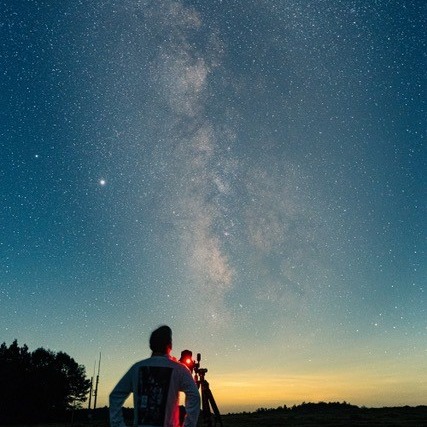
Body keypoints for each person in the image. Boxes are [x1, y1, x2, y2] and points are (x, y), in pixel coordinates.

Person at [109, 325, 200, 427]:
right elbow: (194, 396)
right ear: (170, 345)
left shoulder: (136, 368)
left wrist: (118, 424)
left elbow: (115, 396)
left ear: (151, 345)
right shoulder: (180, 369)